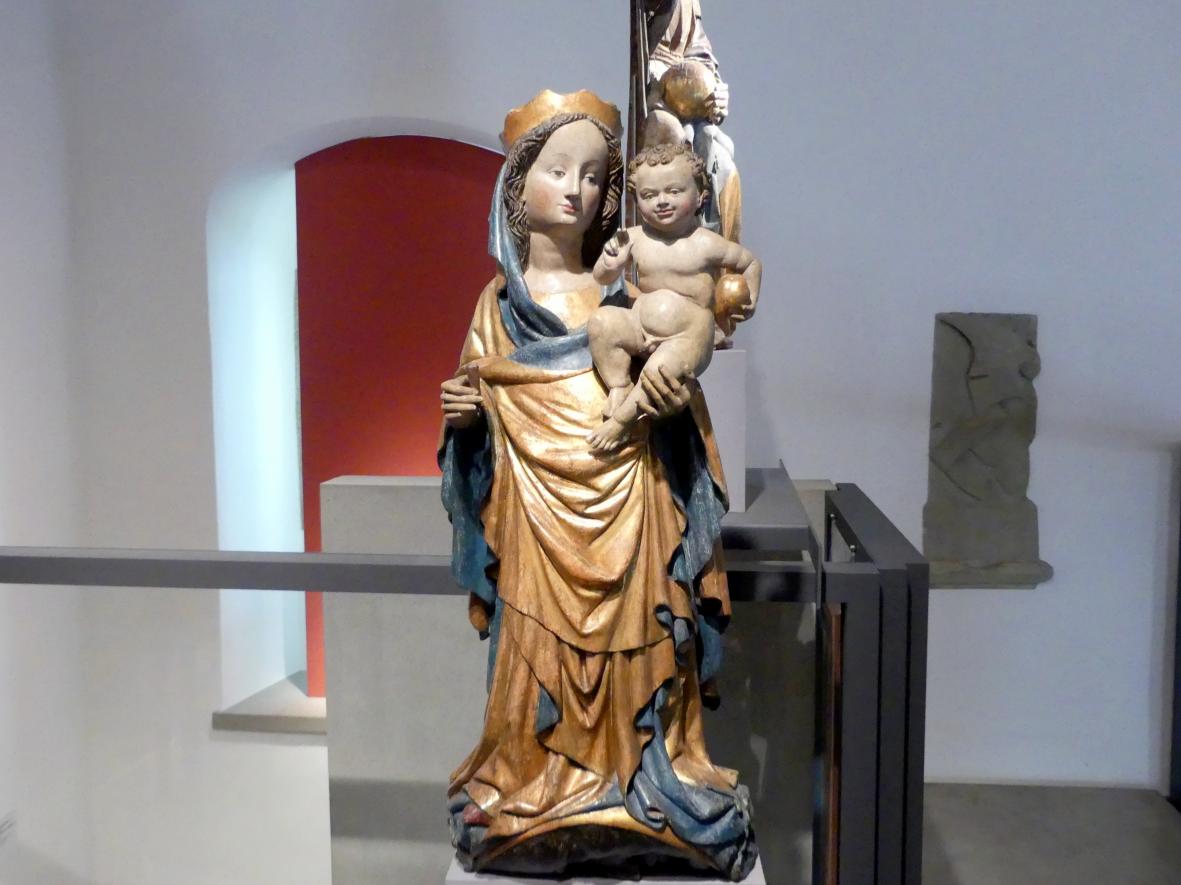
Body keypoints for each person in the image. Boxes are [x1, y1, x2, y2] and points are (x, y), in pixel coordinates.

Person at [438, 90, 757, 880]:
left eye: (590, 174)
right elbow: (475, 412)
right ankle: (532, 779)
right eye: (556, 170)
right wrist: (465, 420)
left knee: (646, 637)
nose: (575, 189)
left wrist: (671, 398)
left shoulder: (622, 289)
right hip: (535, 516)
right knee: (534, 644)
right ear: (517, 188)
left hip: (634, 496)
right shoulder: (497, 309)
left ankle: (642, 783)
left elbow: (676, 388)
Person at [587, 141, 761, 453]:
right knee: (602, 322)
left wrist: (748, 301)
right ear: (637, 200)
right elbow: (601, 277)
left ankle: (621, 423)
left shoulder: (706, 243)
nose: (662, 202)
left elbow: (750, 263)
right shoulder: (634, 237)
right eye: (649, 195)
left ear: (701, 195)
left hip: (689, 333)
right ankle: (619, 385)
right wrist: (610, 263)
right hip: (639, 323)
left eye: (674, 191)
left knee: (659, 374)